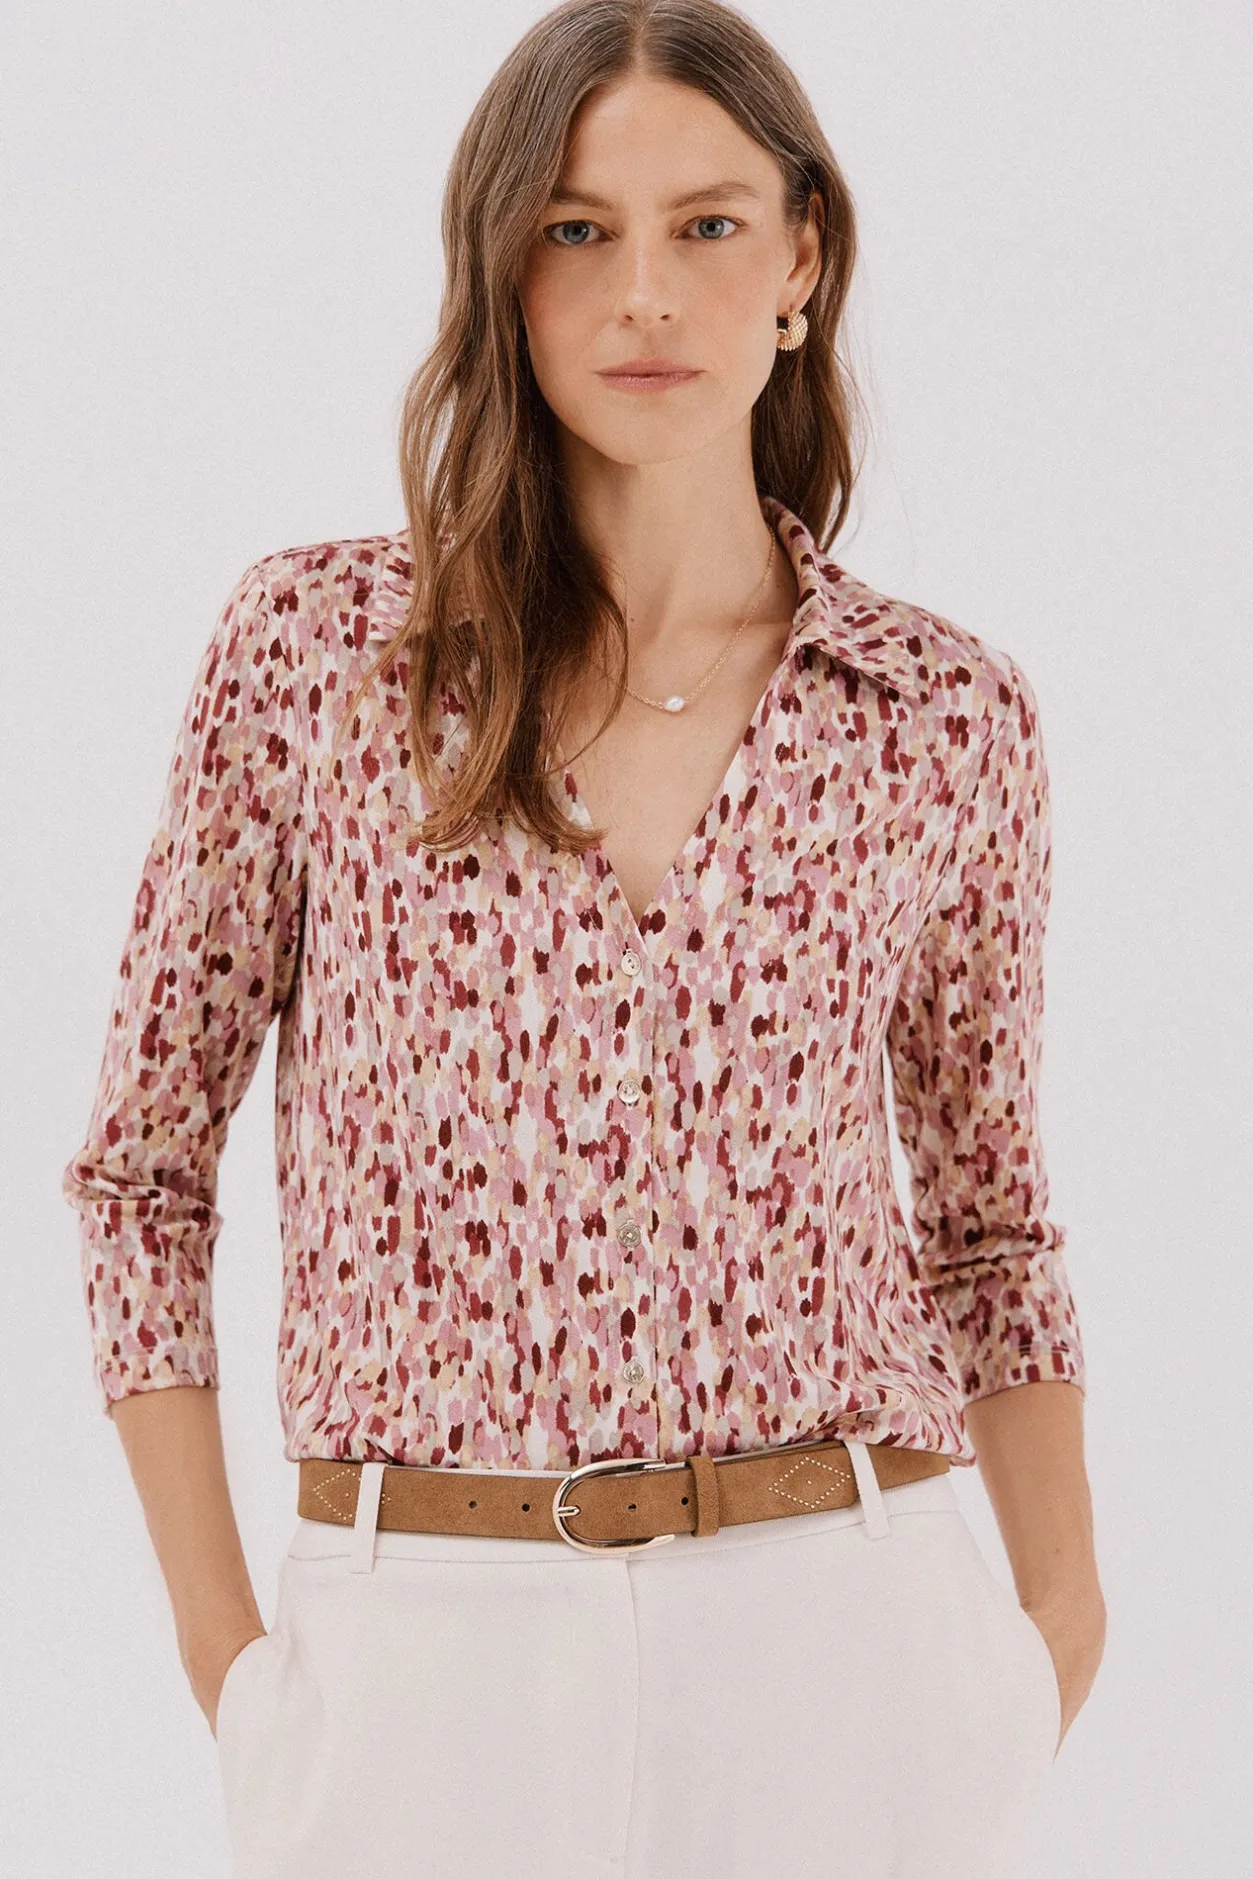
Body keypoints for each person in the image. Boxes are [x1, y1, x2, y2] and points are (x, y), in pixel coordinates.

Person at [61, 2, 1106, 1875]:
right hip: (418, 1666)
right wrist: (239, 1668)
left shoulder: (940, 715)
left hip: (850, 1652)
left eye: (708, 225)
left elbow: (989, 1224)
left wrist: (1054, 1633)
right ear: (502, 269)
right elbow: (140, 1173)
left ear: (803, 259)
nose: (645, 294)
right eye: (577, 229)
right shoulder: (322, 660)